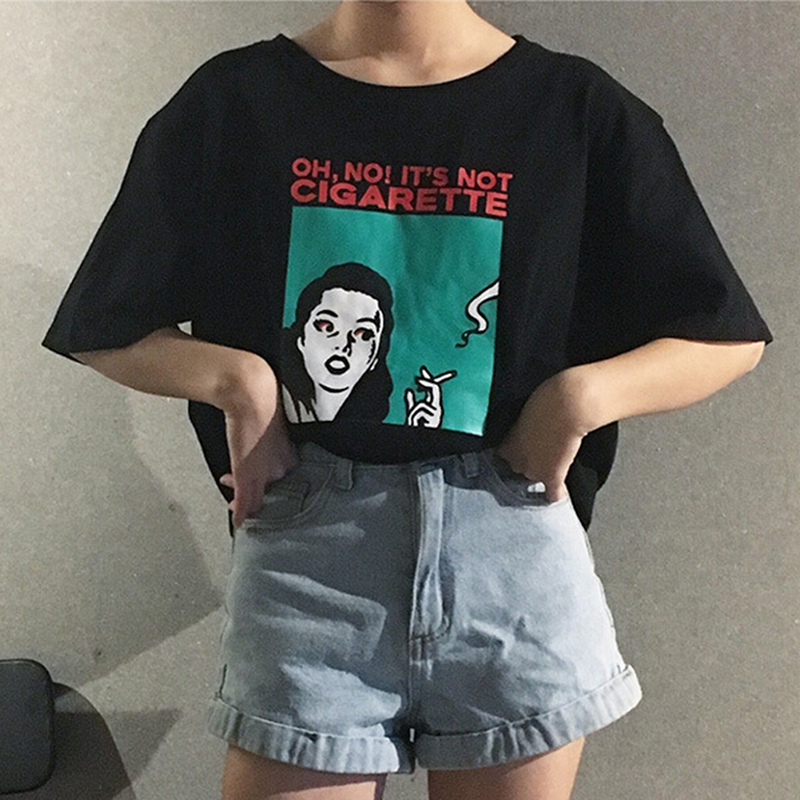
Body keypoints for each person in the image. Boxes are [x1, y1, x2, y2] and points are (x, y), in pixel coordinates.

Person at [41, 1, 773, 798]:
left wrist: (578, 396)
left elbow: (723, 334)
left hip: (510, 557)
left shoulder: (577, 110)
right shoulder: (233, 102)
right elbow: (102, 324)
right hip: (310, 557)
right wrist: (240, 383)